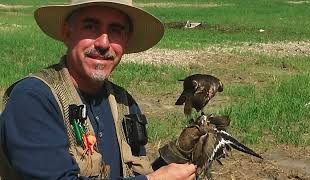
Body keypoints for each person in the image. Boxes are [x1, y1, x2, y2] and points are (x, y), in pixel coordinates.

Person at [0, 0, 197, 179]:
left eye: (116, 30)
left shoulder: (124, 104)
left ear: (126, 41)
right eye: (90, 27)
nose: (103, 43)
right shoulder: (33, 99)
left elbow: (133, 173)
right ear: (67, 33)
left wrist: (176, 156)